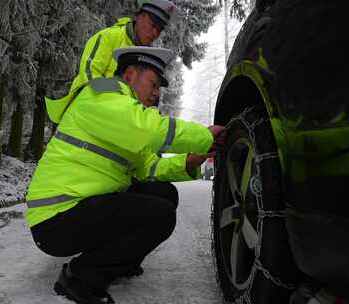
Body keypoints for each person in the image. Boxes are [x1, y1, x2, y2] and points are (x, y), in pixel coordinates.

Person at [26, 46, 226, 304]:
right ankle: (81, 277)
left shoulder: (123, 114)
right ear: (130, 74)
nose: (156, 94)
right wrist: (204, 136)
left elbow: (148, 169)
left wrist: (188, 161)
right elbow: (148, 130)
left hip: (79, 208)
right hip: (55, 219)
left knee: (164, 193)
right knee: (160, 215)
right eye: (153, 84)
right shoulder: (102, 98)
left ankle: (117, 263)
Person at [46, 0, 179, 124]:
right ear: (138, 17)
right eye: (153, 25)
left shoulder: (148, 59)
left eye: (160, 29)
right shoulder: (109, 37)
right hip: (84, 118)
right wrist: (120, 103)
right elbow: (89, 76)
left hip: (116, 123)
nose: (155, 33)